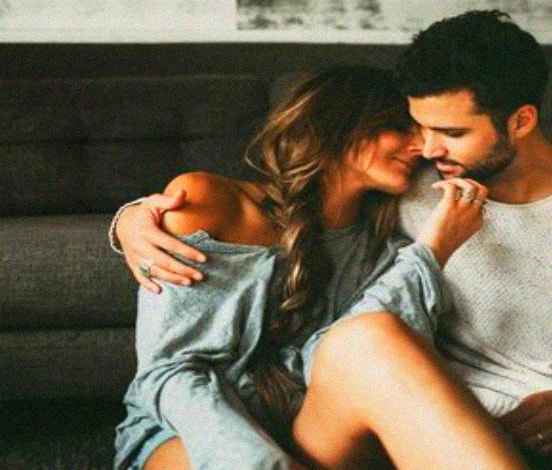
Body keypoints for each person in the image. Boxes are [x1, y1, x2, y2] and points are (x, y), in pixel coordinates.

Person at [114, 11, 552, 469]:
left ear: (520, 120)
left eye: (449, 133)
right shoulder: (408, 198)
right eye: (415, 128)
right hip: (463, 421)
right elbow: (322, 301)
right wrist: (132, 221)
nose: (427, 150)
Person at [112, 65, 529, 470]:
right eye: (401, 128)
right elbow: (170, 373)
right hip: (192, 433)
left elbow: (351, 366)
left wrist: (432, 251)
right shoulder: (211, 202)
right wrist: (266, 463)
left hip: (312, 430)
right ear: (341, 125)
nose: (421, 146)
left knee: (372, 335)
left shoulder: (389, 241)